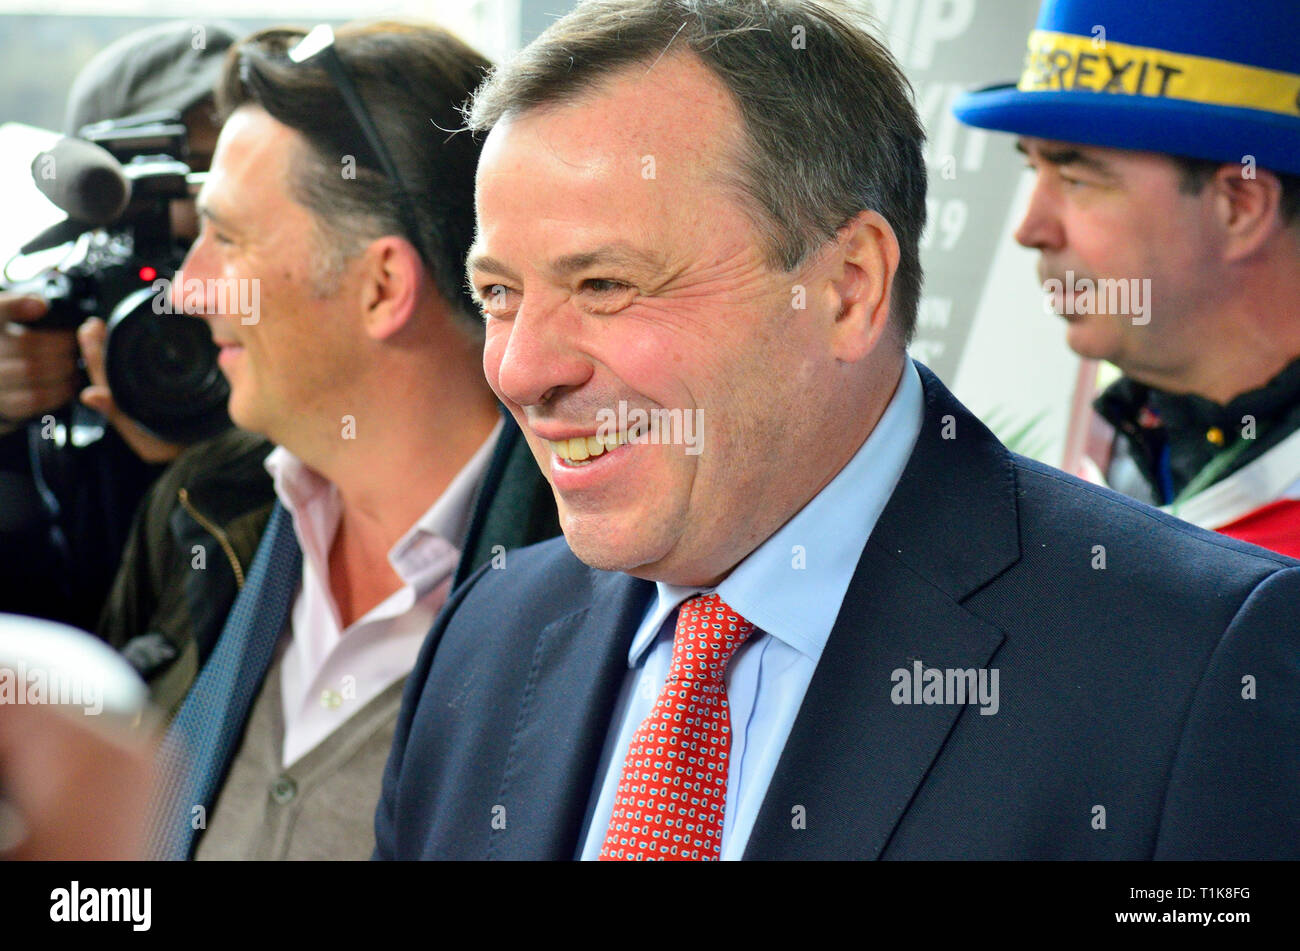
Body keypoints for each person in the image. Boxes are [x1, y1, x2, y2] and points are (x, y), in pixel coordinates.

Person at [375, 0, 1300, 860]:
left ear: (849, 285)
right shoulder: (486, 637)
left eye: (605, 286)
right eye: (498, 293)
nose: (522, 369)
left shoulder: (1195, 664)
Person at [133, 21, 558, 861]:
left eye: (227, 239)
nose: (186, 291)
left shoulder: (595, 590)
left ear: (382, 286)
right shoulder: (207, 513)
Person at [953, 0, 1300, 555]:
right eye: (1032, 168)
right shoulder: (1078, 467)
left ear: (1240, 205)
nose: (1029, 228)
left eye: (1075, 176)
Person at [0, 20, 239, 630]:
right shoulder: (56, 321)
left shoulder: (298, 321)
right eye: (184, 168)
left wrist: (210, 465)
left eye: (227, 169)